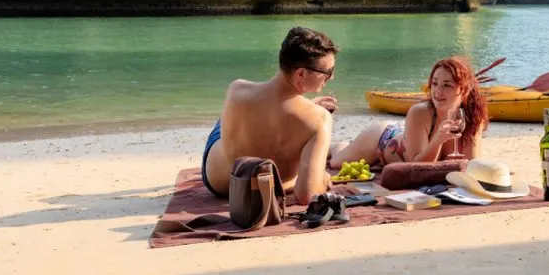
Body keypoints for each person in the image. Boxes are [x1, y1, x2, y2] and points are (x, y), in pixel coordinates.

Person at [201, 26, 340, 205]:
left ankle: (292, 109)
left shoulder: (237, 89)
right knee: (302, 129)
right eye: (328, 72)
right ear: (301, 73)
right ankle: (296, 110)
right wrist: (322, 179)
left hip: (219, 183)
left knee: (229, 120)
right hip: (267, 186)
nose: (332, 77)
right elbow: (307, 195)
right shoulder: (320, 119)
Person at [329, 57, 489, 168]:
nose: (438, 91)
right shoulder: (420, 112)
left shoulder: (473, 118)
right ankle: (337, 146)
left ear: (464, 90)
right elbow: (418, 166)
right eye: (434, 84)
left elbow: (470, 163)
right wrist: (438, 140)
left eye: (447, 85)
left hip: (407, 136)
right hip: (381, 138)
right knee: (336, 162)